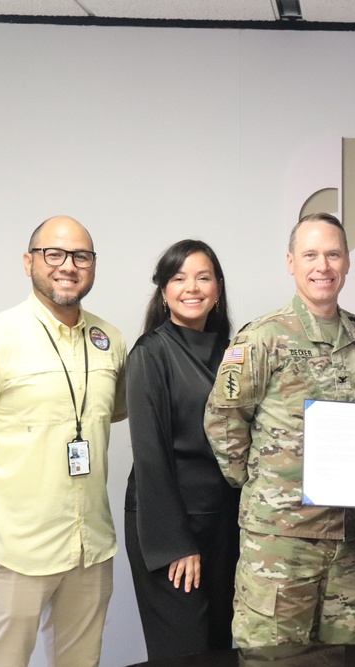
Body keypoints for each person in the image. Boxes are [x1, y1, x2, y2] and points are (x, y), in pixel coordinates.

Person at [0, 216, 127, 667]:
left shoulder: (109, 341)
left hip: (89, 547)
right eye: (53, 254)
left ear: (94, 265)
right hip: (12, 554)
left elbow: (109, 415)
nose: (68, 266)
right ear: (28, 262)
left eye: (81, 256)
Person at [204, 212, 355, 647]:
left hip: (351, 541)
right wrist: (259, 485)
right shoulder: (262, 337)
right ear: (291, 262)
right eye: (310, 255)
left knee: (346, 655)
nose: (322, 265)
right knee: (271, 657)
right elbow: (223, 419)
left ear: (346, 262)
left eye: (333, 254)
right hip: (281, 541)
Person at [123, 240, 241, 659]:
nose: (192, 288)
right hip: (170, 526)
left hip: (226, 523)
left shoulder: (236, 352)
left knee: (220, 647)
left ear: (218, 289)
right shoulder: (150, 353)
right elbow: (149, 453)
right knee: (184, 651)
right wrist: (177, 544)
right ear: (163, 291)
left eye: (203, 277)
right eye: (179, 278)